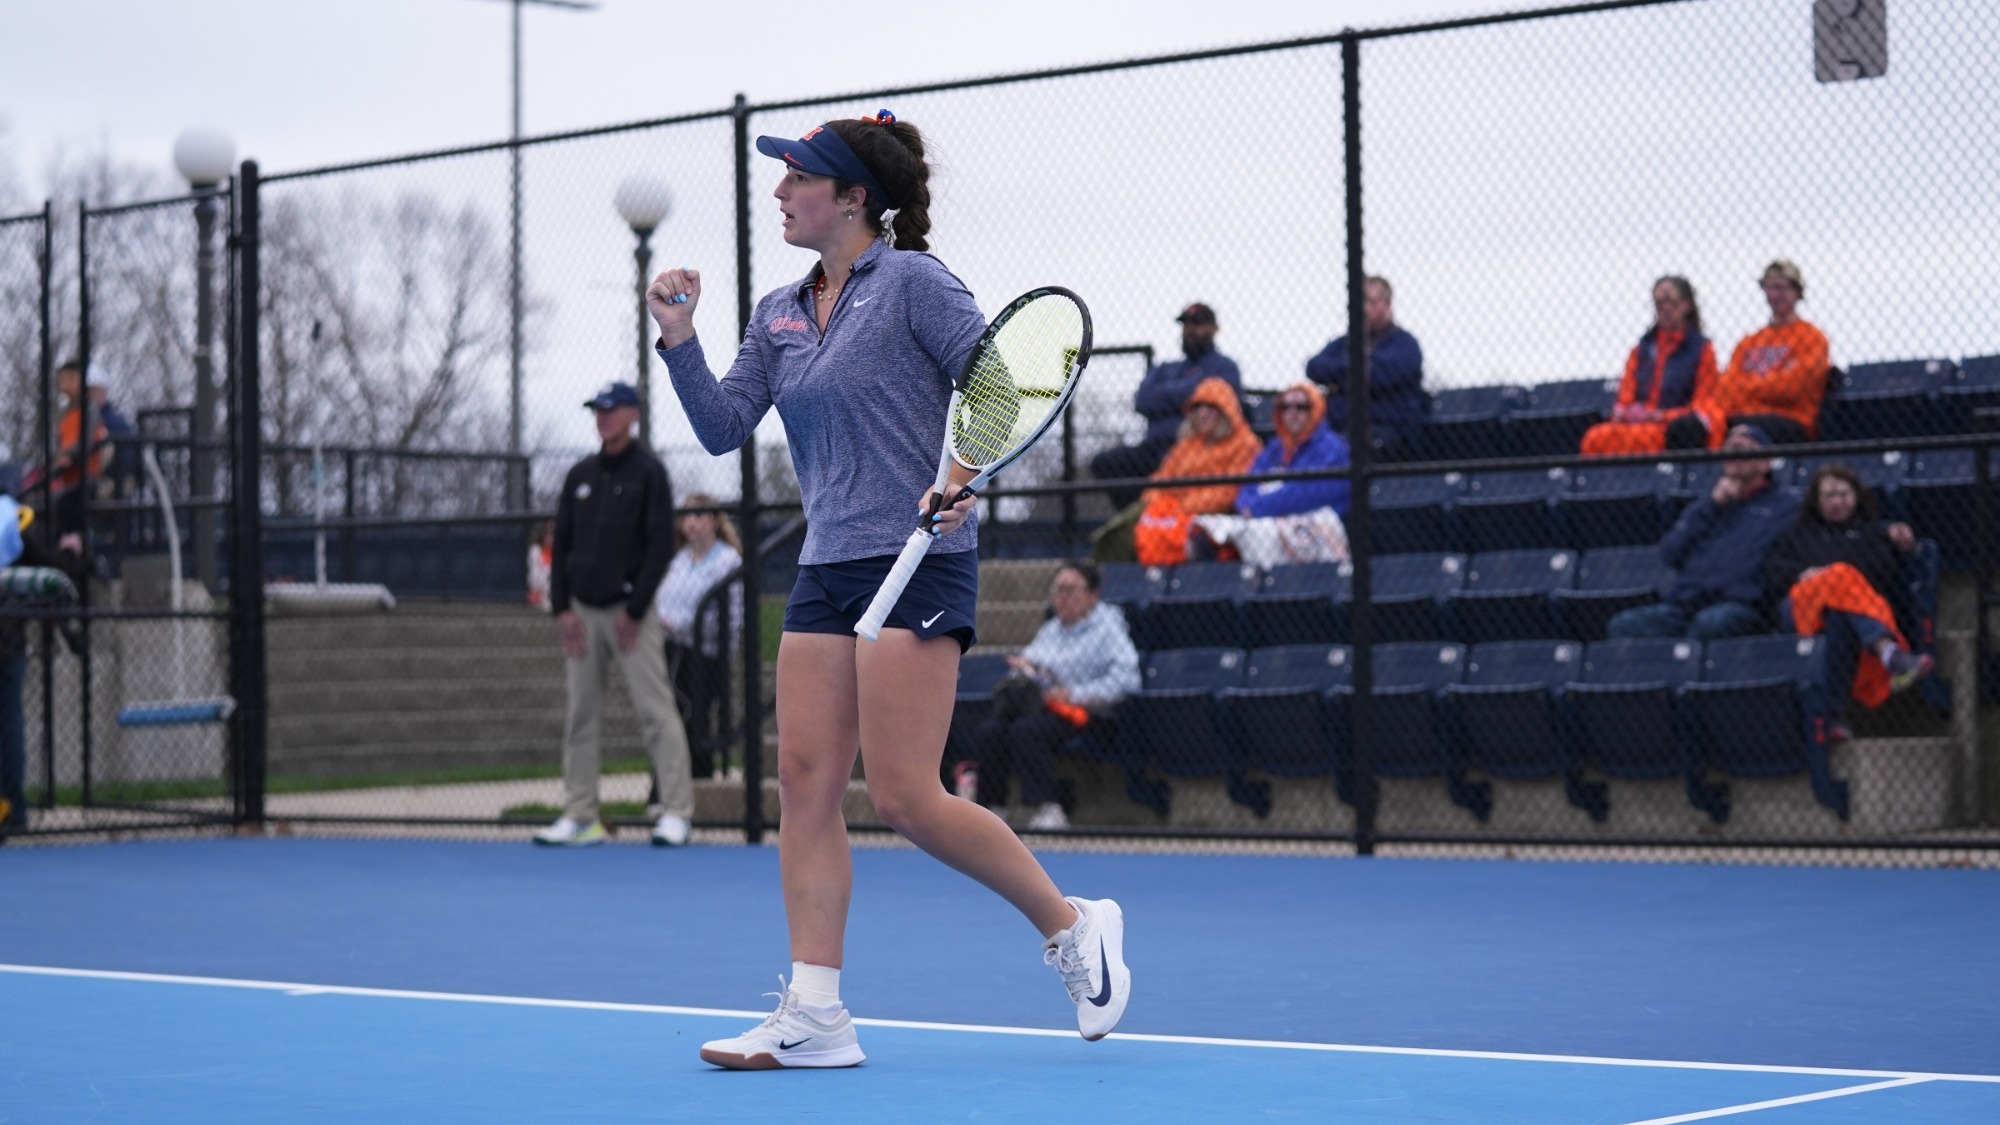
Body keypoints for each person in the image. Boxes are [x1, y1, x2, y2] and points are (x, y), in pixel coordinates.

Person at [646, 108, 1130, 1070]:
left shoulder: (913, 282)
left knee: (907, 796)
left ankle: (1074, 924)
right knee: (807, 786)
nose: (780, 193)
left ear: (854, 198)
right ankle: (817, 1014)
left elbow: (994, 385)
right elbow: (722, 426)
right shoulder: (778, 312)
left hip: (920, 556)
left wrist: (958, 479)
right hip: (827, 569)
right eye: (779, 180)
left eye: (797, 179)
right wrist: (679, 338)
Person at [534, 381, 696, 849]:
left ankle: (677, 813)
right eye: (596, 410)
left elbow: (660, 547)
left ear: (632, 414)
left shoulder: (650, 473)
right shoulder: (580, 474)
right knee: (580, 714)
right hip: (581, 614)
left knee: (656, 711)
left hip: (632, 616)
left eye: (610, 409)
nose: (601, 417)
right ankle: (580, 815)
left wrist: (635, 607)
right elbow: (561, 543)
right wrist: (562, 609)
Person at [965, 562, 1140, 831]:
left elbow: (1128, 680)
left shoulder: (1108, 628)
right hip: (1046, 709)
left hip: (1088, 714)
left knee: (1028, 730)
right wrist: (1025, 670)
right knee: (991, 731)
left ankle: (1049, 808)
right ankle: (993, 809)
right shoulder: (1052, 629)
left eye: (1071, 589)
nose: (1062, 596)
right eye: (1058, 589)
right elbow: (1031, 661)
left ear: (1093, 595)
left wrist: (1075, 695)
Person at [1765, 464, 1932, 742]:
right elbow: (1771, 571)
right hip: (1801, 609)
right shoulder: (1796, 534)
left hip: (1847, 614)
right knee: (1840, 574)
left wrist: (1832, 579)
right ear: (1817, 501)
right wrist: (1804, 575)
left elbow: (1881, 572)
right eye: (1829, 495)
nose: (1837, 502)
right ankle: (1889, 651)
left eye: (1843, 494)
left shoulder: (1871, 533)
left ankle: (1833, 718)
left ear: (1856, 497)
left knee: (1839, 617)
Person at [1607, 424, 1798, 640]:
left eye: (1742, 449)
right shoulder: (1707, 505)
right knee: (1624, 625)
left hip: (1741, 607)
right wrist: (1713, 506)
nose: (1734, 455)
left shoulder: (1787, 505)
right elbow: (1671, 552)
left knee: (1712, 623)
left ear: (1766, 462)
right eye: (1729, 450)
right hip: (1687, 606)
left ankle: (1687, 669)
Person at [1095, 375, 1263, 565]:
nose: (1203, 413)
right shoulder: (1187, 445)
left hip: (1208, 517)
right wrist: (1160, 505)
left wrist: (1181, 506)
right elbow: (1161, 480)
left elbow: (1228, 493)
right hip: (1170, 513)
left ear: (1226, 410)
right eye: (1198, 407)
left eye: (1211, 407)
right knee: (1117, 533)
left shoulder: (1245, 444)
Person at [1089, 302, 1242, 509]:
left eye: (1197, 324)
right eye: (1185, 324)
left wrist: (1167, 396)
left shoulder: (1224, 367)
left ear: (1214, 328)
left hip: (1196, 447)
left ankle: (1159, 518)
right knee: (1105, 463)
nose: (1189, 330)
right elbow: (1142, 400)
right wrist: (1188, 394)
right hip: (1153, 448)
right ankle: (1138, 520)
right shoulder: (1166, 368)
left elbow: (1218, 399)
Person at [1665, 260, 1830, 449]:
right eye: (1769, 288)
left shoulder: (1813, 337)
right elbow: (1725, 389)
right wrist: (1770, 382)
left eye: (1781, 288)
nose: (1775, 295)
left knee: (1747, 430)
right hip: (1738, 415)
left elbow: (1792, 389)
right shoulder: (1749, 342)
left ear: (1797, 292)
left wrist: (1746, 386)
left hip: (1789, 419)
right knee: (1684, 427)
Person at [1190, 381, 1352, 566]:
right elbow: (1246, 489)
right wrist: (1254, 505)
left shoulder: (1331, 447)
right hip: (1266, 520)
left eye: (1301, 407)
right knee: (1209, 532)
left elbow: (1307, 494)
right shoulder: (1275, 448)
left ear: (1315, 410)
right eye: (1285, 407)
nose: (1292, 413)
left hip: (1313, 519)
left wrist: (1259, 507)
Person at [653, 491, 743, 780]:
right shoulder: (679, 559)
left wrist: (681, 625)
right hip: (672, 649)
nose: (690, 522)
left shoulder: (727, 561)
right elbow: (663, 600)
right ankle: (665, 788)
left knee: (695, 719)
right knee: (666, 718)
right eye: (686, 516)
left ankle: (700, 781)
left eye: (699, 515)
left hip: (706, 657)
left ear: (714, 521)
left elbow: (730, 618)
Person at [1580, 276, 1721, 455]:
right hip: (1637, 425)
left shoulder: (1702, 350)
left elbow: (1704, 404)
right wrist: (1627, 412)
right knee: (1595, 438)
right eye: (1658, 303)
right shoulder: (1642, 349)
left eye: (1670, 301)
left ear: (1687, 305)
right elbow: (1625, 396)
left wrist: (1663, 416)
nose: (1664, 308)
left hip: (1669, 425)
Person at [1305, 275, 1427, 458]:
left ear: (1387, 304)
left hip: (1389, 432)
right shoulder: (1344, 343)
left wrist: (1339, 381)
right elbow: (1314, 367)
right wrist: (1356, 370)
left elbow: (1379, 377)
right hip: (1340, 427)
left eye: (1370, 302)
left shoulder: (1404, 343)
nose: (1363, 309)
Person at [526, 519, 554, 610]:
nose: (550, 538)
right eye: (548, 534)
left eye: (553, 534)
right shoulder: (535, 551)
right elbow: (533, 578)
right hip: (540, 594)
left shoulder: (560, 552)